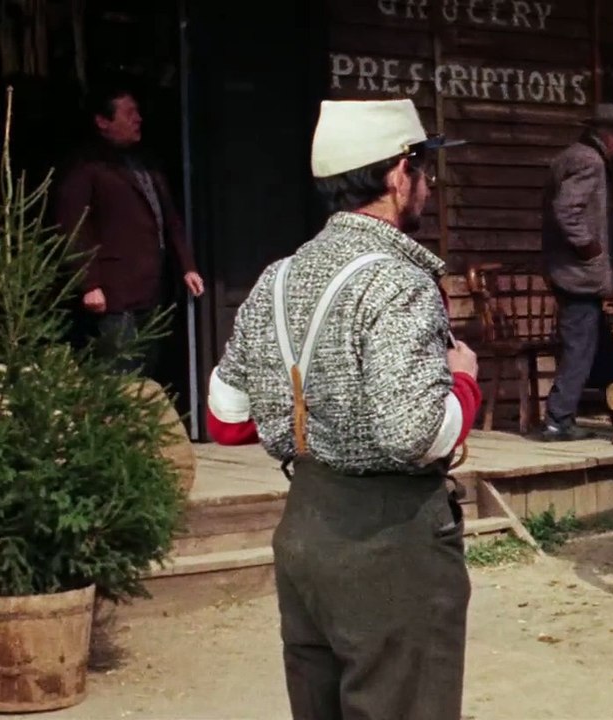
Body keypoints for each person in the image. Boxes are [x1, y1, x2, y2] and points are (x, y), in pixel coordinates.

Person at [203, 98, 481, 718]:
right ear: (396, 173)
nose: (430, 184)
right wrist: (465, 382)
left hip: (304, 532)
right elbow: (416, 435)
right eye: (425, 168)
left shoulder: (276, 277)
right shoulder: (398, 281)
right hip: (389, 541)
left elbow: (226, 419)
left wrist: (307, 407)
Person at [54, 85, 204, 377]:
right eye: (129, 113)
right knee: (122, 371)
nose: (138, 119)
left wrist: (187, 266)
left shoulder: (145, 162)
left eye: (137, 112)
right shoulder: (87, 166)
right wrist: (88, 283)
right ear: (103, 122)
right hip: (113, 292)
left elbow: (169, 219)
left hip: (150, 288)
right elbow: (72, 226)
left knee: (148, 369)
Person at [538, 104, 613, 442]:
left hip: (573, 273)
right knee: (580, 348)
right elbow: (566, 209)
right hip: (577, 275)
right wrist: (590, 248)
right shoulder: (590, 160)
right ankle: (558, 420)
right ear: (607, 133)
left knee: (599, 350)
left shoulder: (574, 155)